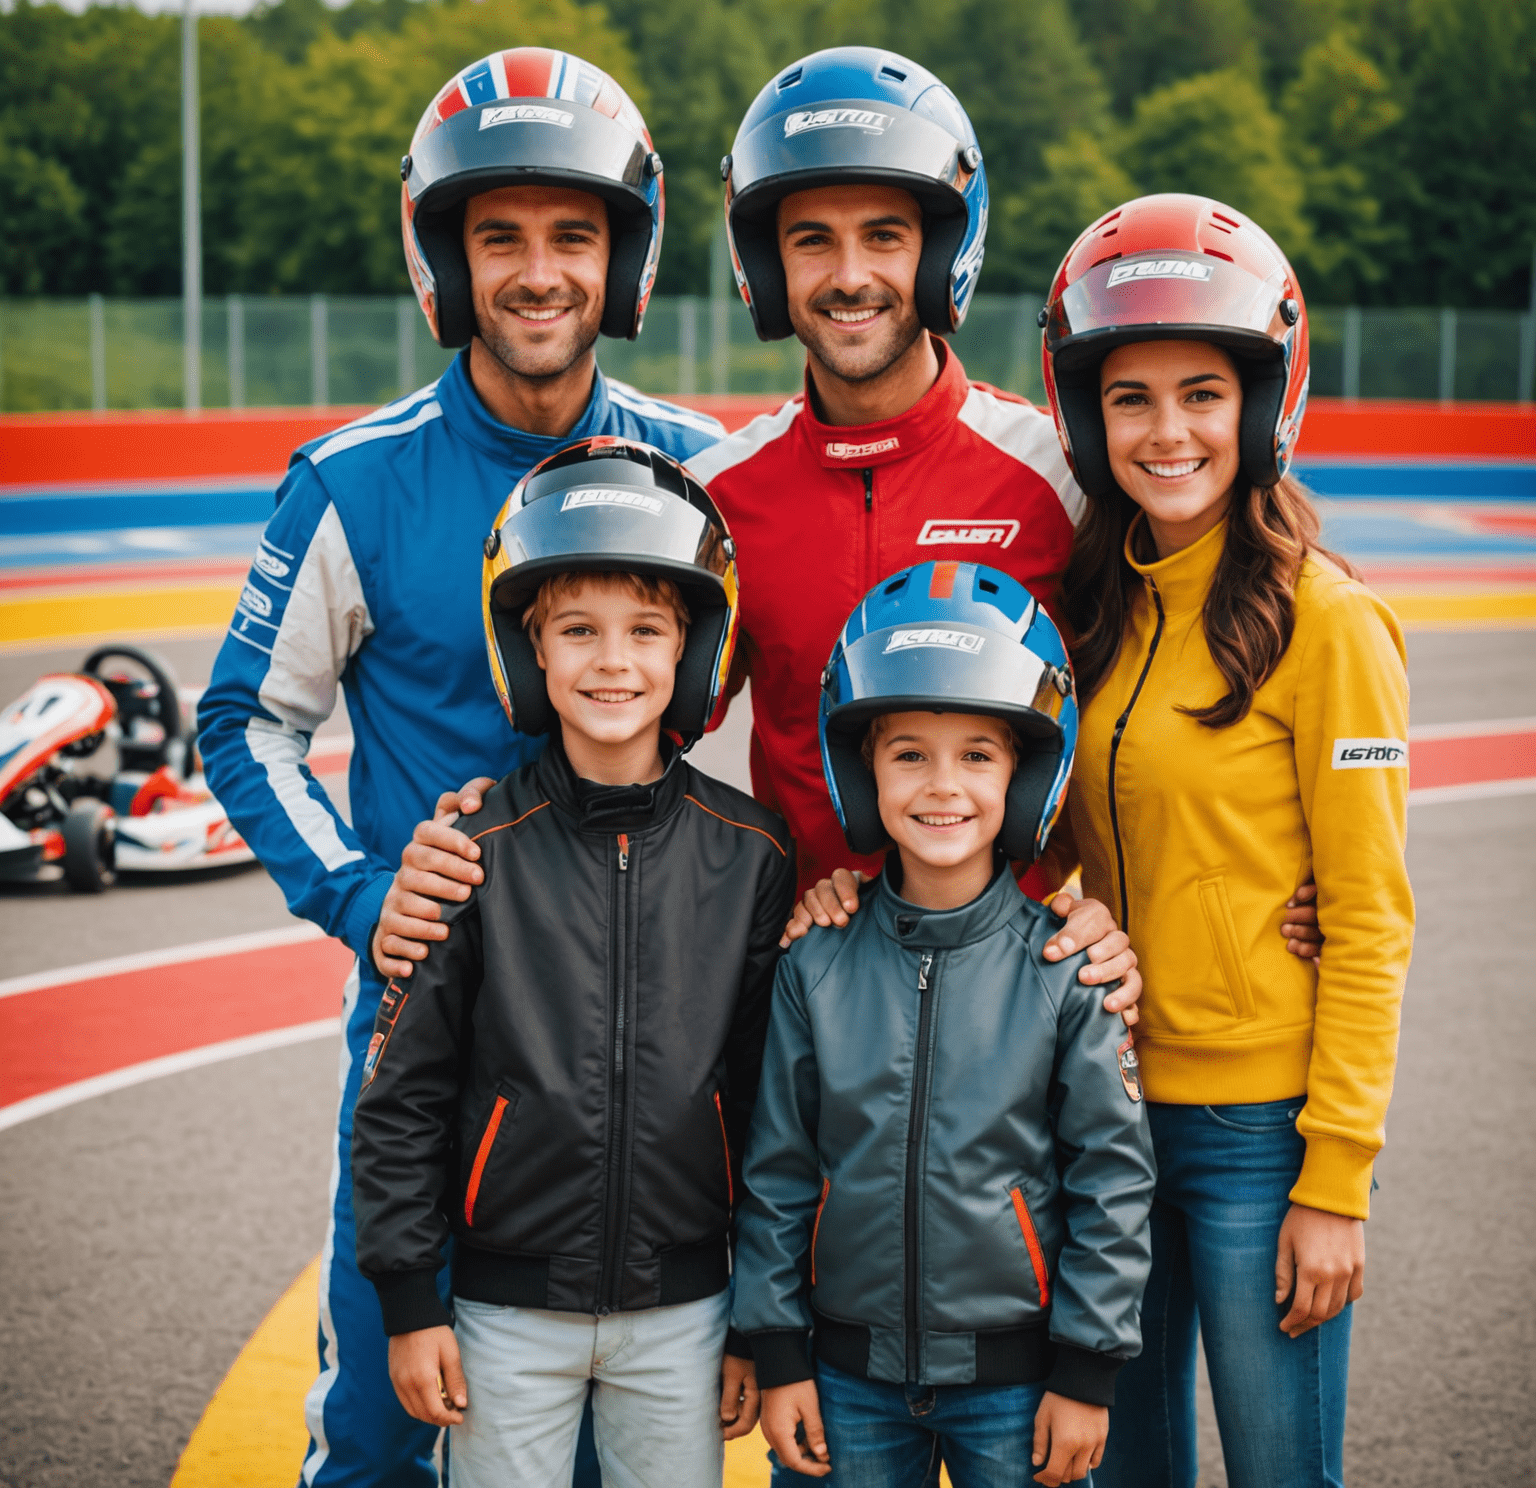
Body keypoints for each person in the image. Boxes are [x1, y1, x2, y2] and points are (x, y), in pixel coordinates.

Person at [196, 48, 724, 1487]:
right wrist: (363, 896)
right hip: (430, 1049)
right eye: (501, 236)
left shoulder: (703, 471)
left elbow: (814, 718)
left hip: (647, 1066)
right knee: (376, 1450)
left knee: (634, 1455)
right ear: (447, 254)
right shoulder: (352, 480)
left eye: (573, 234)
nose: (538, 272)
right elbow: (245, 721)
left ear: (626, 255)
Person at [381, 47, 1145, 1034]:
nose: (851, 275)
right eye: (812, 240)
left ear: (944, 246)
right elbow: (628, 734)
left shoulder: (1061, 478)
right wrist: (474, 838)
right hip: (802, 990)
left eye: (884, 235)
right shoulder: (721, 496)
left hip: (1022, 993)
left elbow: (1155, 716)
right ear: (764, 262)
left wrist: (1172, 903)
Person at [1034, 193, 1414, 1487]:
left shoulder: (1336, 625)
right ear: (1089, 417)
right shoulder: (1094, 609)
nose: (1168, 430)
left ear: (1262, 399)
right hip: (1113, 1119)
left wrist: (1338, 1179)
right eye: (1130, 397)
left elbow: (1370, 916)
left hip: (1266, 1133)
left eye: (1202, 390)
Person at [349, 439, 795, 1487]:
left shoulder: (753, 854)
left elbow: (774, 1107)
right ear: (529, 650)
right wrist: (415, 1305)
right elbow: (400, 1099)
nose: (612, 663)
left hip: (687, 1311)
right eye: (577, 631)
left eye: (648, 631)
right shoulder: (470, 853)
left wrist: (760, 1322)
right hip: (504, 1313)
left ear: (692, 649)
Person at [734, 560, 1155, 1488]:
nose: (942, 786)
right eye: (908, 753)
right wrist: (779, 1350)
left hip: (1019, 1384)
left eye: (977, 754)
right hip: (844, 1377)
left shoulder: (1067, 972)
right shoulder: (816, 962)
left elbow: (1113, 1183)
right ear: (864, 769)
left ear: (1025, 771)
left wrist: (1087, 1370)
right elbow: (777, 1174)